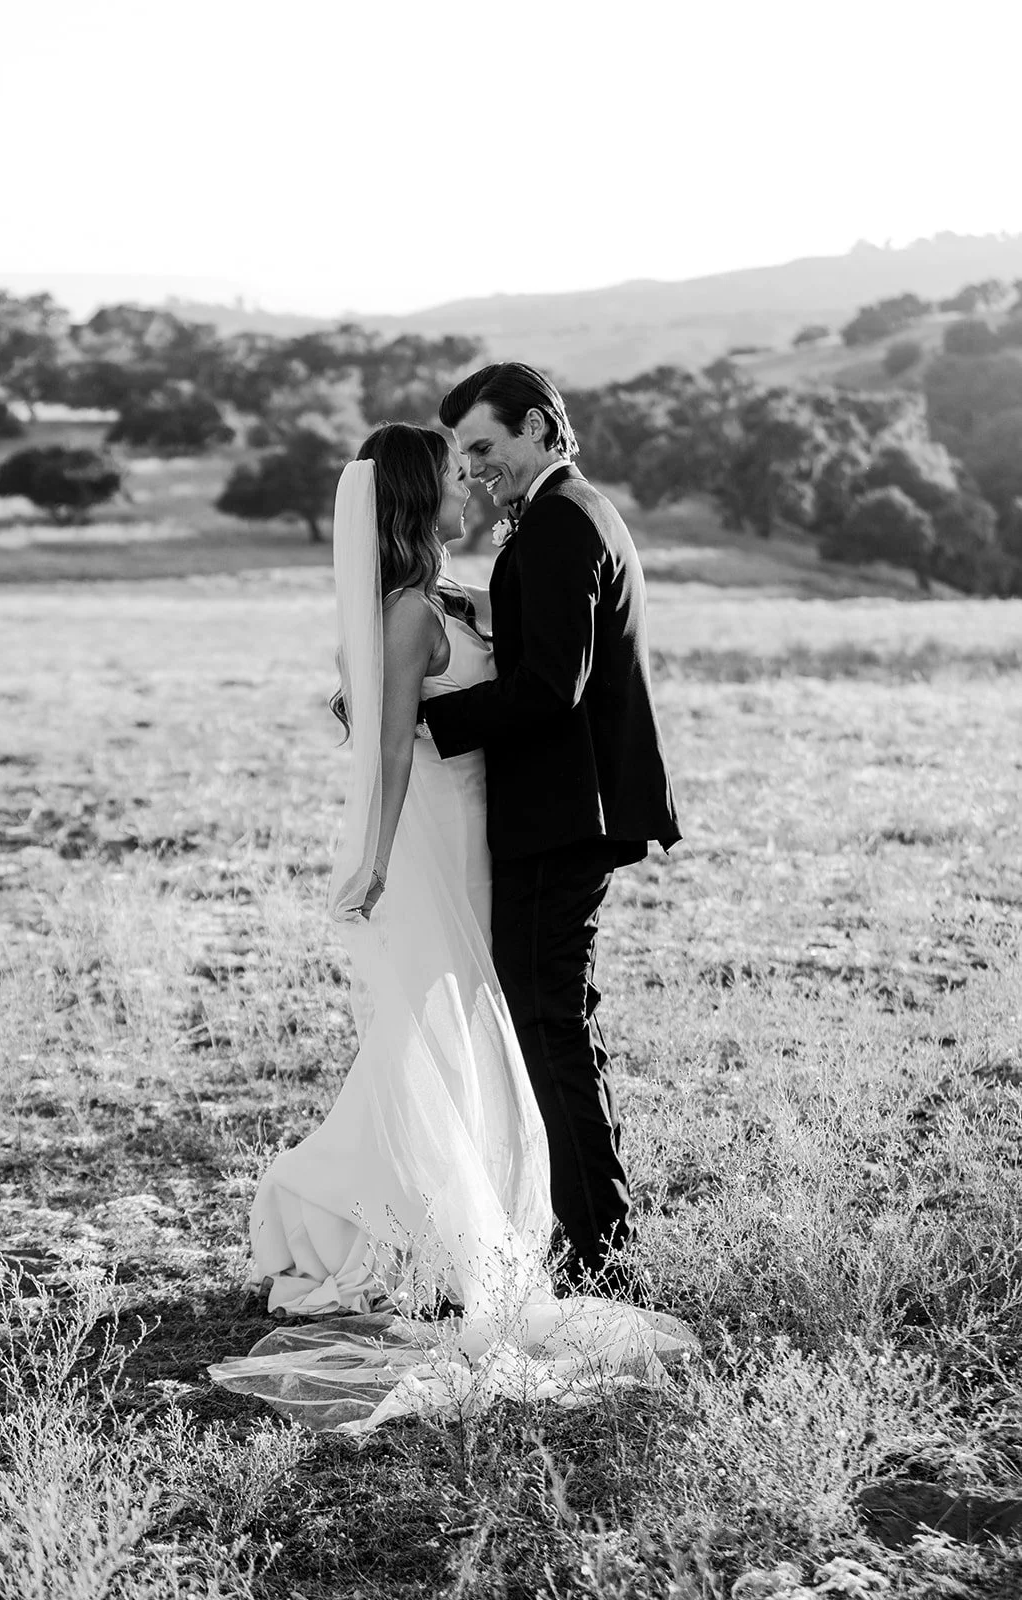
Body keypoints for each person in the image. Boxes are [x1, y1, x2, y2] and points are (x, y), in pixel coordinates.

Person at [210, 423, 694, 1431]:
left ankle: (396, 1209)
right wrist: (373, 860)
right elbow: (387, 752)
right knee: (431, 1026)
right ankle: (351, 1205)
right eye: (450, 476)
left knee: (461, 1026)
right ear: (415, 498)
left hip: (477, 834)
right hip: (432, 840)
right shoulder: (400, 612)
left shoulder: (435, 600)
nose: (467, 485)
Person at [421, 363, 681, 1293]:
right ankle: (595, 1229)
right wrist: (464, 607)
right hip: (570, 807)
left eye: (486, 448)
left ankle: (599, 1249)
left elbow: (547, 688)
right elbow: (543, 630)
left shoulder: (563, 520)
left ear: (537, 427)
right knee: (555, 1016)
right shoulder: (569, 511)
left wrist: (426, 723)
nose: (477, 469)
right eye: (465, 456)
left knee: (548, 1023)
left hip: (562, 813)